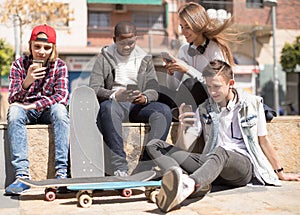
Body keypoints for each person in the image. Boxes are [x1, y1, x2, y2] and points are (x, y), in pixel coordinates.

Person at [146, 60, 300, 213]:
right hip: (211, 163)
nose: (212, 92)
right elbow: (183, 149)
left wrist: (280, 172)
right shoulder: (204, 109)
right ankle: (189, 182)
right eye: (209, 86)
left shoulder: (253, 104)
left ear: (230, 83)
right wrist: (183, 126)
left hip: (241, 166)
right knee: (154, 145)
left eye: (217, 86)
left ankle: (188, 185)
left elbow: (263, 141)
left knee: (221, 152)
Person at [89, 21, 172, 177]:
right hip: (115, 104)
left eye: (131, 42)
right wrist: (114, 95)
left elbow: (154, 88)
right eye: (122, 42)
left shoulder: (144, 58)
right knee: (108, 108)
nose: (127, 46)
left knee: (164, 112)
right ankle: (119, 167)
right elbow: (94, 88)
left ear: (136, 38)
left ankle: (146, 165)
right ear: (114, 40)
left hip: (136, 105)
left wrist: (145, 97)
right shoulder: (104, 58)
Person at [5, 24, 70, 195]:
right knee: (14, 111)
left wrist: (34, 105)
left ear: (53, 49)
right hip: (26, 111)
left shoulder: (59, 66)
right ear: (30, 45)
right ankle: (21, 176)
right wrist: (27, 81)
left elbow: (62, 96)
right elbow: (13, 99)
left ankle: (61, 174)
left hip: (47, 110)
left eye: (47, 47)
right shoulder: (19, 65)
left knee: (61, 111)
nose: (41, 51)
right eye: (37, 46)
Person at [159, 2, 234, 114]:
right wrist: (171, 73)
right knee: (162, 92)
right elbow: (173, 87)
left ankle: (178, 110)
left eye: (187, 27)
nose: (183, 32)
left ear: (198, 24)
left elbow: (218, 84)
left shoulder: (215, 48)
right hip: (192, 101)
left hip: (216, 98)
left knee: (191, 83)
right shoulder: (184, 50)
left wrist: (187, 69)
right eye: (181, 27)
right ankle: (165, 112)